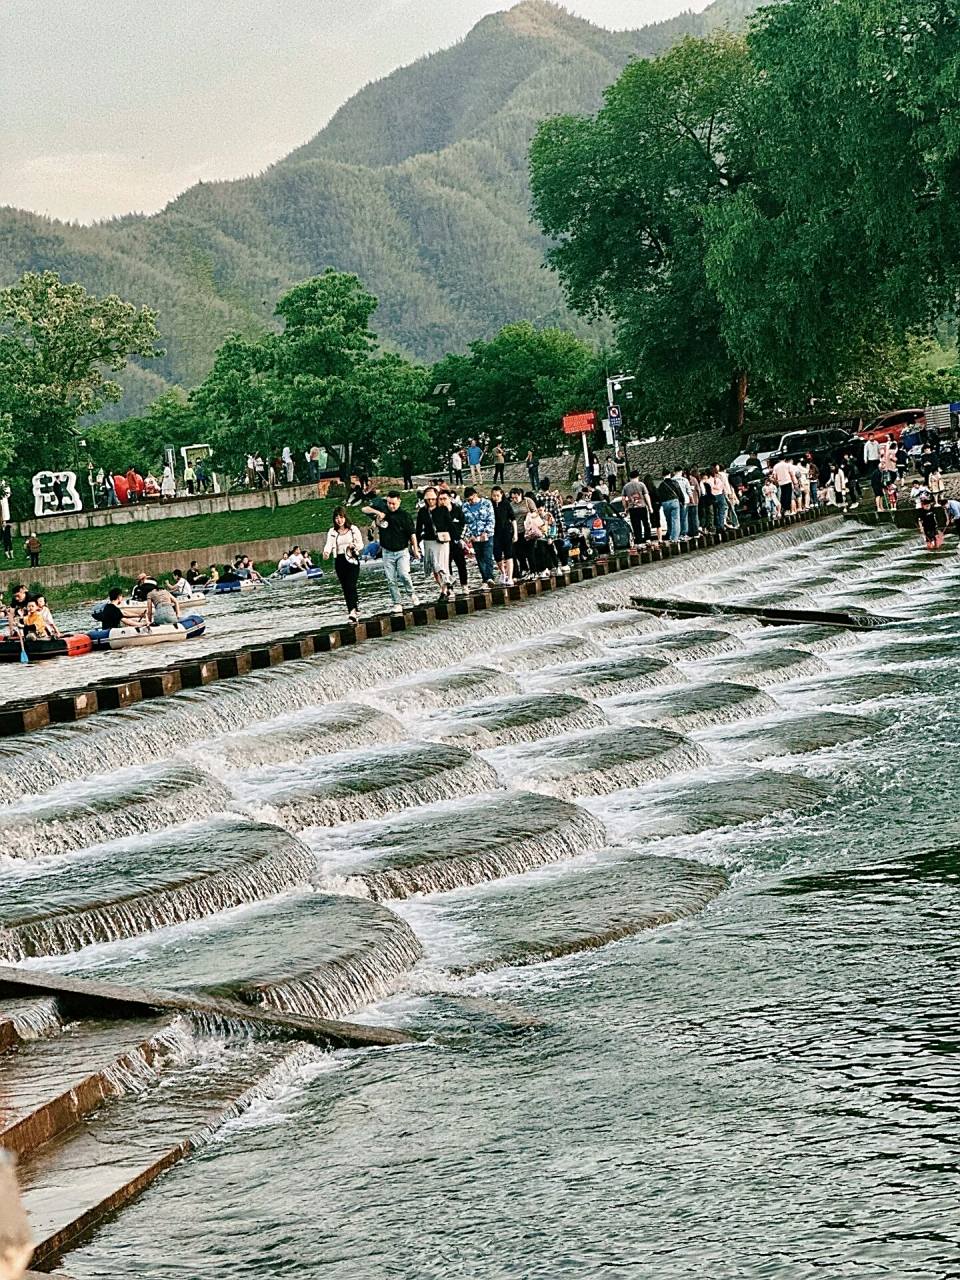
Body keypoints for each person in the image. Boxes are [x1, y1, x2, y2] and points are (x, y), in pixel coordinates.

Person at [365, 491, 420, 614]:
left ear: (399, 502)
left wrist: (415, 549)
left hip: (402, 551)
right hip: (387, 551)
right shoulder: (384, 512)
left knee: (404, 574)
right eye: (389, 503)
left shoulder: (405, 515)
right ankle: (397, 603)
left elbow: (412, 534)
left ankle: (411, 594)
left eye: (394, 503)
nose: (391, 506)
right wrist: (378, 513)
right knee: (391, 579)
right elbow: (365, 509)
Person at [323, 507, 364, 623]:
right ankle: (352, 609)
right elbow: (329, 544)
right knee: (345, 587)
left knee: (351, 584)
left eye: (341, 517)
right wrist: (326, 552)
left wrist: (354, 546)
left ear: (345, 517)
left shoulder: (353, 529)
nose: (339, 520)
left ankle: (353, 609)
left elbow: (360, 544)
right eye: (336, 518)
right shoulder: (332, 532)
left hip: (352, 559)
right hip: (339, 560)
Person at [416, 486, 453, 600]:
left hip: (441, 541)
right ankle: (444, 586)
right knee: (434, 567)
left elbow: (449, 524)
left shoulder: (443, 509)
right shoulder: (422, 511)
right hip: (428, 540)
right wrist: (416, 544)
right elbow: (418, 528)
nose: (431, 501)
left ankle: (444, 590)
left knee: (441, 566)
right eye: (428, 499)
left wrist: (457, 538)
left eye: (433, 499)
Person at [463, 486, 496, 586]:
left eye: (471, 499)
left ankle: (490, 576)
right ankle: (484, 578)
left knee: (488, 556)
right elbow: (465, 522)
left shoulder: (486, 503)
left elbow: (491, 518)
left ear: (475, 495)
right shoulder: (465, 507)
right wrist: (469, 535)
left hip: (487, 535)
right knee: (479, 557)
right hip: (474, 536)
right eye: (468, 500)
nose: (470, 502)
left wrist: (486, 532)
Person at [439, 490, 468, 593]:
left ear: (450, 499)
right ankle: (450, 588)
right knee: (447, 566)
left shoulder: (457, 510)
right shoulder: (439, 512)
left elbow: (464, 524)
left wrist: (461, 538)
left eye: (444, 499)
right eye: (440, 499)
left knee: (461, 564)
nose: (442, 501)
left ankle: (464, 585)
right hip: (444, 543)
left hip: (456, 541)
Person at [491, 485, 516, 586]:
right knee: (497, 555)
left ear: (501, 494)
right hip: (495, 533)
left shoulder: (506, 504)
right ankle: (503, 572)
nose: (495, 497)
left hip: (506, 532)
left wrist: (515, 533)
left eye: (497, 495)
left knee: (509, 555)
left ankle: (510, 577)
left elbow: (513, 518)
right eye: (494, 495)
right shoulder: (490, 504)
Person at [622, 471, 652, 545]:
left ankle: (639, 540)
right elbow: (646, 496)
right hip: (642, 506)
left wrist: (625, 508)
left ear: (630, 477)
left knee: (636, 525)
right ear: (638, 476)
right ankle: (647, 538)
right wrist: (650, 507)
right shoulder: (641, 484)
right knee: (645, 523)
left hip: (632, 508)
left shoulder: (626, 486)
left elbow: (623, 498)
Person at [656, 469, 683, 544]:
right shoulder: (674, 482)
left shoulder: (661, 485)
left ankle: (670, 535)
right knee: (676, 520)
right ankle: (675, 538)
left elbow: (659, 496)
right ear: (670, 474)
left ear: (662, 476)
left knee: (668, 520)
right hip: (674, 502)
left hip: (665, 503)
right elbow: (679, 492)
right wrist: (682, 501)